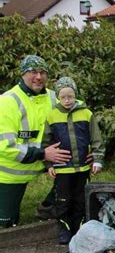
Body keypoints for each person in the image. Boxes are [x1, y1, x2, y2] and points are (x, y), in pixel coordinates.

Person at [0, 55, 71, 228]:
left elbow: (79, 117)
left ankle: (49, 207)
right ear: (22, 74)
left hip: (43, 161)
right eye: (32, 72)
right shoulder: (7, 101)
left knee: (79, 168)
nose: (38, 77)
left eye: (42, 72)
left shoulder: (54, 97)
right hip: (10, 172)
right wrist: (43, 153)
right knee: (5, 225)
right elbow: (5, 146)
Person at [41, 77, 104, 244]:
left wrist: (97, 158)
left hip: (82, 167)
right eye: (63, 97)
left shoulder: (86, 114)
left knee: (80, 199)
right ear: (58, 98)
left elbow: (96, 138)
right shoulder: (52, 115)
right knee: (63, 200)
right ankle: (64, 228)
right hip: (62, 168)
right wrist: (49, 164)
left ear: (75, 95)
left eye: (70, 96)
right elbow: (46, 143)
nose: (67, 100)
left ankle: (80, 228)